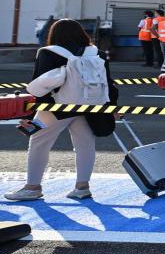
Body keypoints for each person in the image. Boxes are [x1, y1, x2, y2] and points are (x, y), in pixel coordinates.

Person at [5, 19, 118, 202]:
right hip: (89, 107)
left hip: (56, 108)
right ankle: (82, 187)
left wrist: (31, 115)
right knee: (85, 145)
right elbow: (108, 83)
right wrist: (110, 106)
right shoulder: (96, 53)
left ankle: (33, 187)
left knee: (39, 143)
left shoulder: (49, 53)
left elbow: (39, 86)